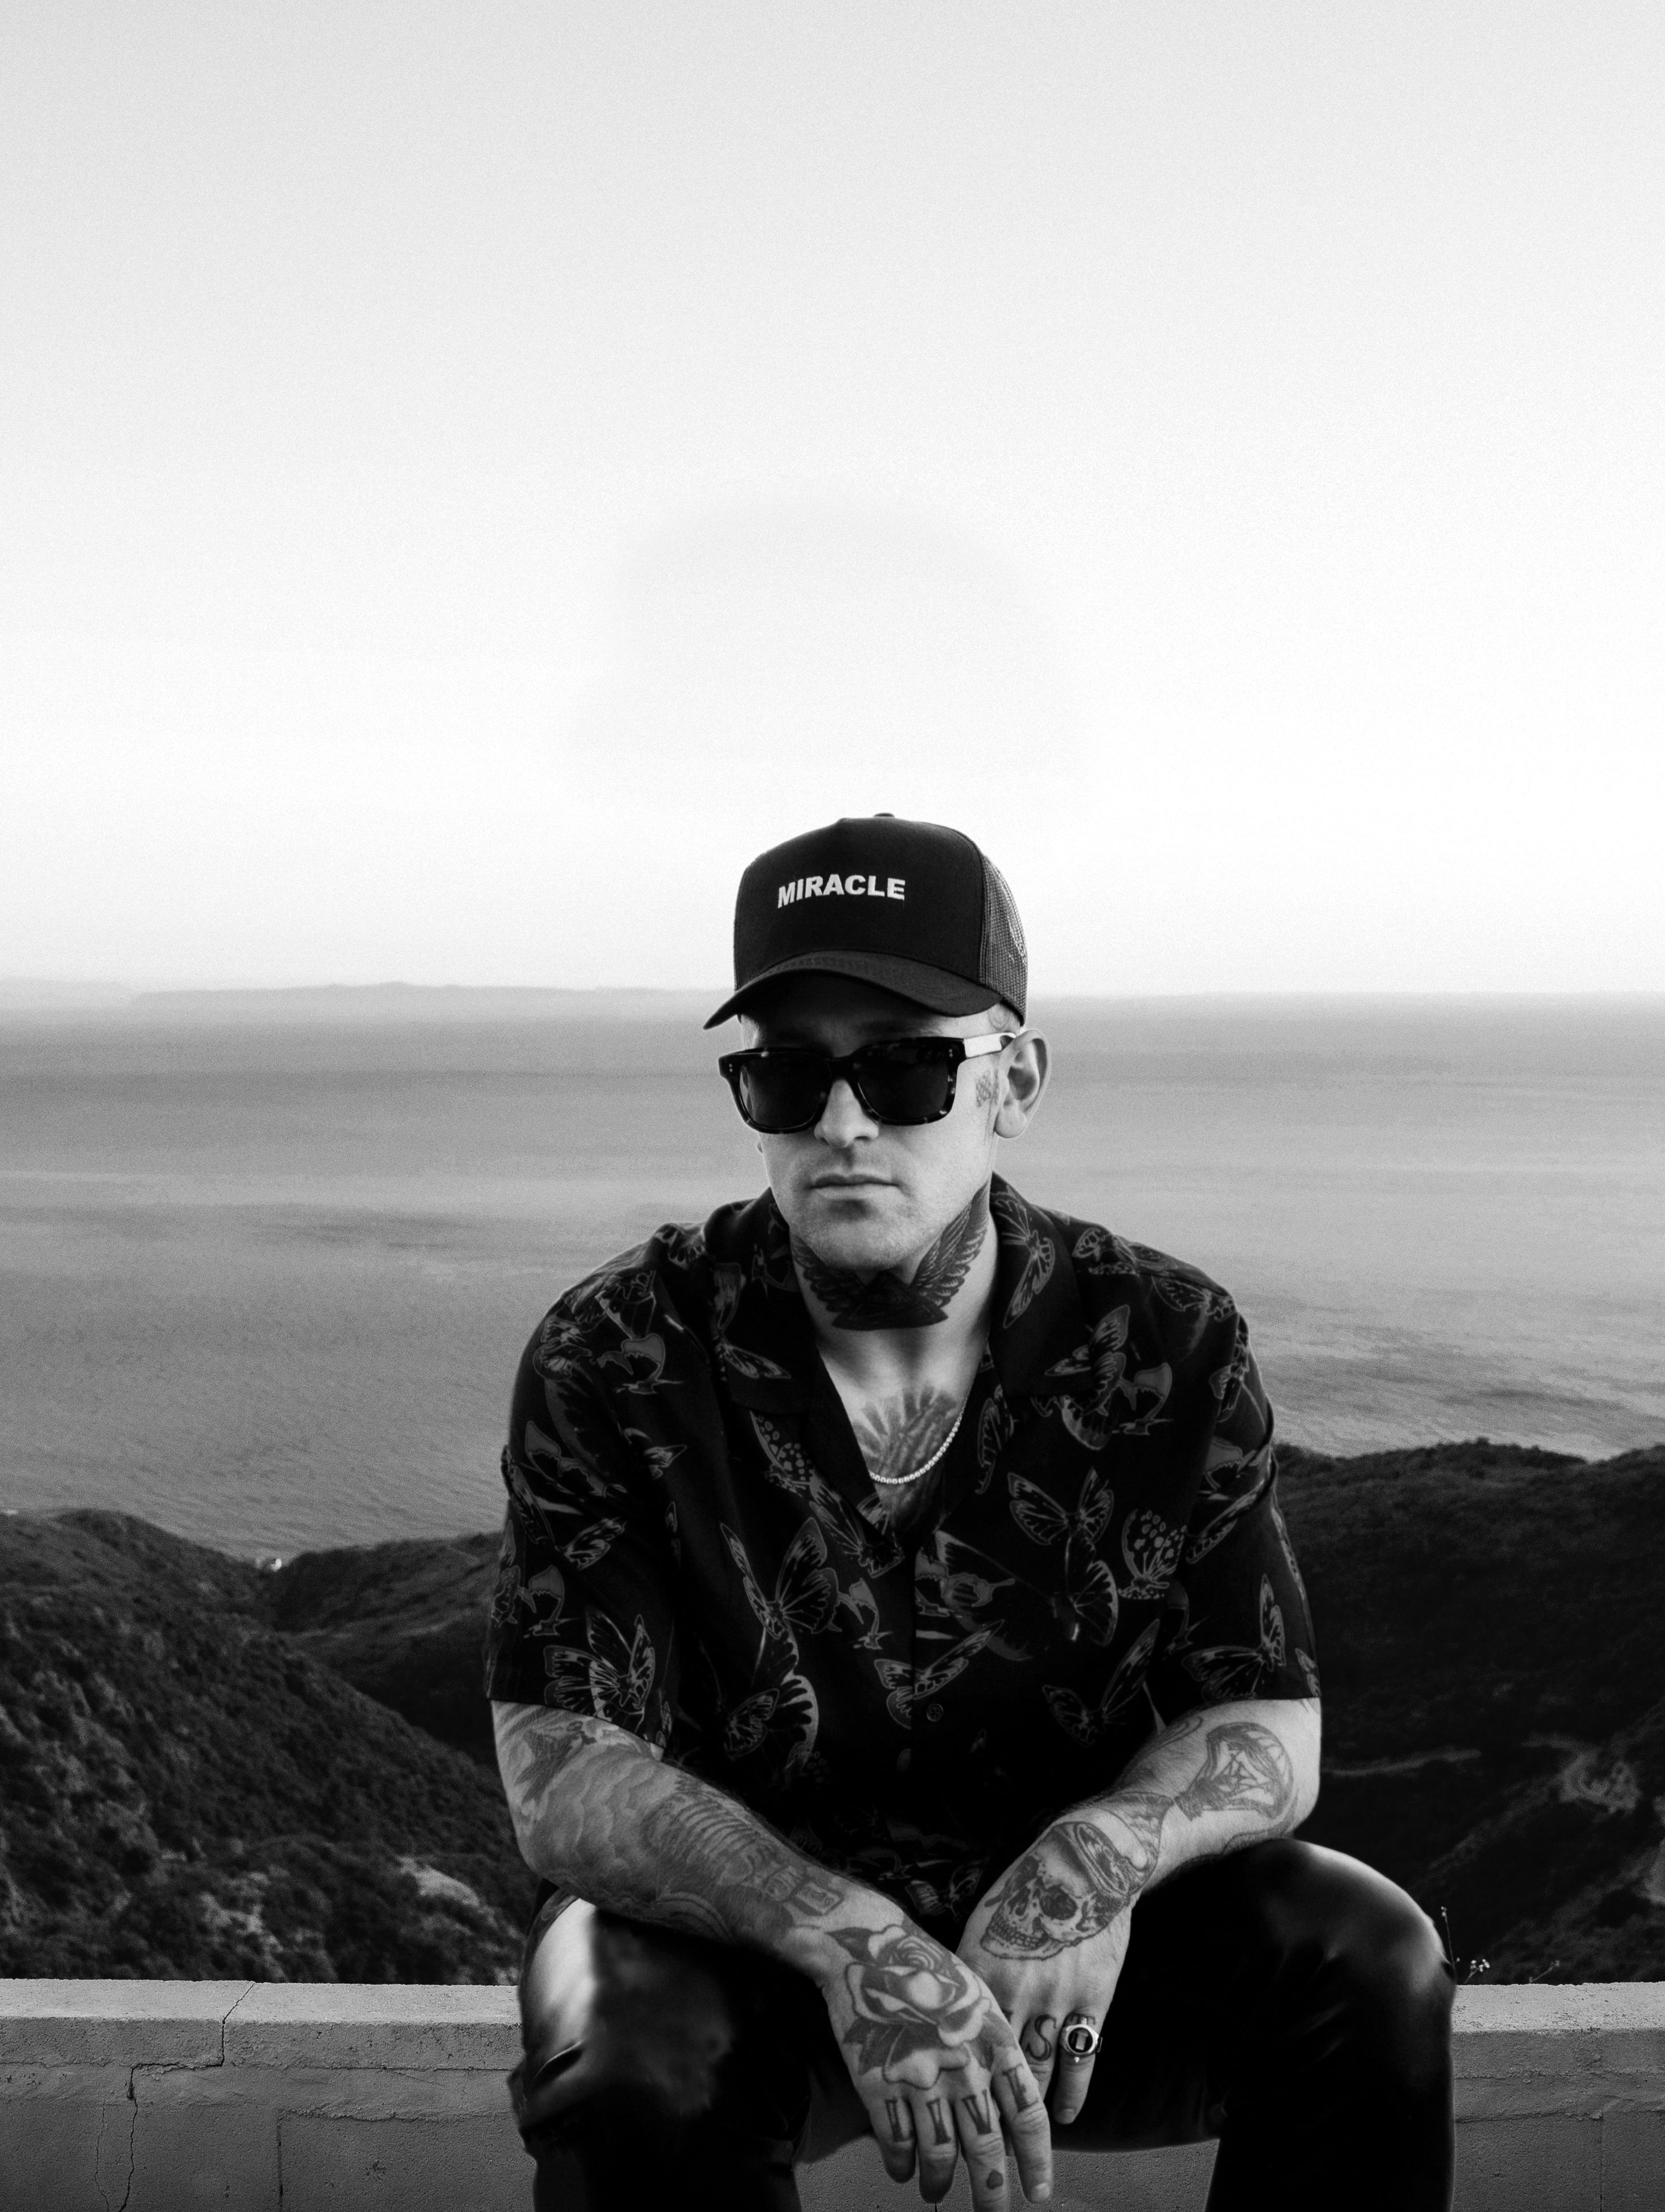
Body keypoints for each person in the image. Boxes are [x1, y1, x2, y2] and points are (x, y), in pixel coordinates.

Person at [485, 815, 1454, 2212]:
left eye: (906, 1066)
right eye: (788, 1071)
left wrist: (1089, 1867)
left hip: (1073, 1973)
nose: (843, 1124)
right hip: (746, 1966)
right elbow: (563, 1766)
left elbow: (1266, 1717)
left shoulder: (1164, 1341)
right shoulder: (620, 1352)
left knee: (1371, 1959)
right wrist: (849, 1939)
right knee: (625, 2047)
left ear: (1017, 1079)